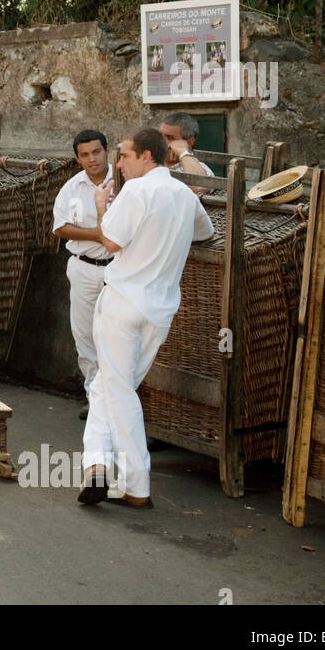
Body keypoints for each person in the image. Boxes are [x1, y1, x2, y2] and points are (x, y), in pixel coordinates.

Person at [78, 127, 214, 509]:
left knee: (118, 391)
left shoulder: (136, 190)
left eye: (124, 155)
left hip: (123, 302)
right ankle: (96, 465)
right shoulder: (184, 196)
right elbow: (205, 234)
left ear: (146, 156)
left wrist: (102, 206)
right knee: (107, 387)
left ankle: (136, 485)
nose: (119, 164)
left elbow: (110, 242)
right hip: (160, 309)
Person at [51, 129, 113, 421]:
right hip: (83, 267)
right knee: (85, 336)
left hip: (118, 268)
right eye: (85, 155)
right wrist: (98, 235)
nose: (92, 159)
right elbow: (60, 227)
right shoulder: (72, 187)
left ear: (107, 150)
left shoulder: (124, 182)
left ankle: (121, 401)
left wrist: (108, 238)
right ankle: (95, 400)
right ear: (77, 158)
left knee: (118, 335)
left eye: (96, 152)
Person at [158, 111, 214, 197]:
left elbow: (200, 187)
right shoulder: (149, 162)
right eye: (160, 136)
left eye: (170, 137)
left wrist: (183, 153)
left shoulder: (202, 169)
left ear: (190, 141)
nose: (162, 142)